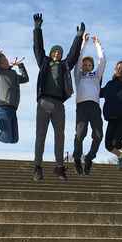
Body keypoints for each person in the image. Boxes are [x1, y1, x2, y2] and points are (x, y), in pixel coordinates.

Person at [32, 13, 85, 182]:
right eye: (54, 51)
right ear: (51, 53)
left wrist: (78, 37)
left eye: (59, 52)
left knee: (59, 135)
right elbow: (38, 48)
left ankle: (59, 167)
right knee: (40, 135)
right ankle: (37, 167)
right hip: (43, 102)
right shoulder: (44, 63)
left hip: (58, 105)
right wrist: (37, 29)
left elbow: (73, 55)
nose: (57, 54)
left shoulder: (64, 66)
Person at [72, 34, 106, 175]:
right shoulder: (78, 76)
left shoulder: (96, 76)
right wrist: (84, 43)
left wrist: (98, 45)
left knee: (98, 135)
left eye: (89, 65)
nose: (86, 66)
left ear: (92, 67)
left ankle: (89, 157)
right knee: (80, 134)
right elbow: (78, 59)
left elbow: (102, 60)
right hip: (82, 107)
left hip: (94, 107)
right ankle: (76, 158)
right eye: (84, 65)